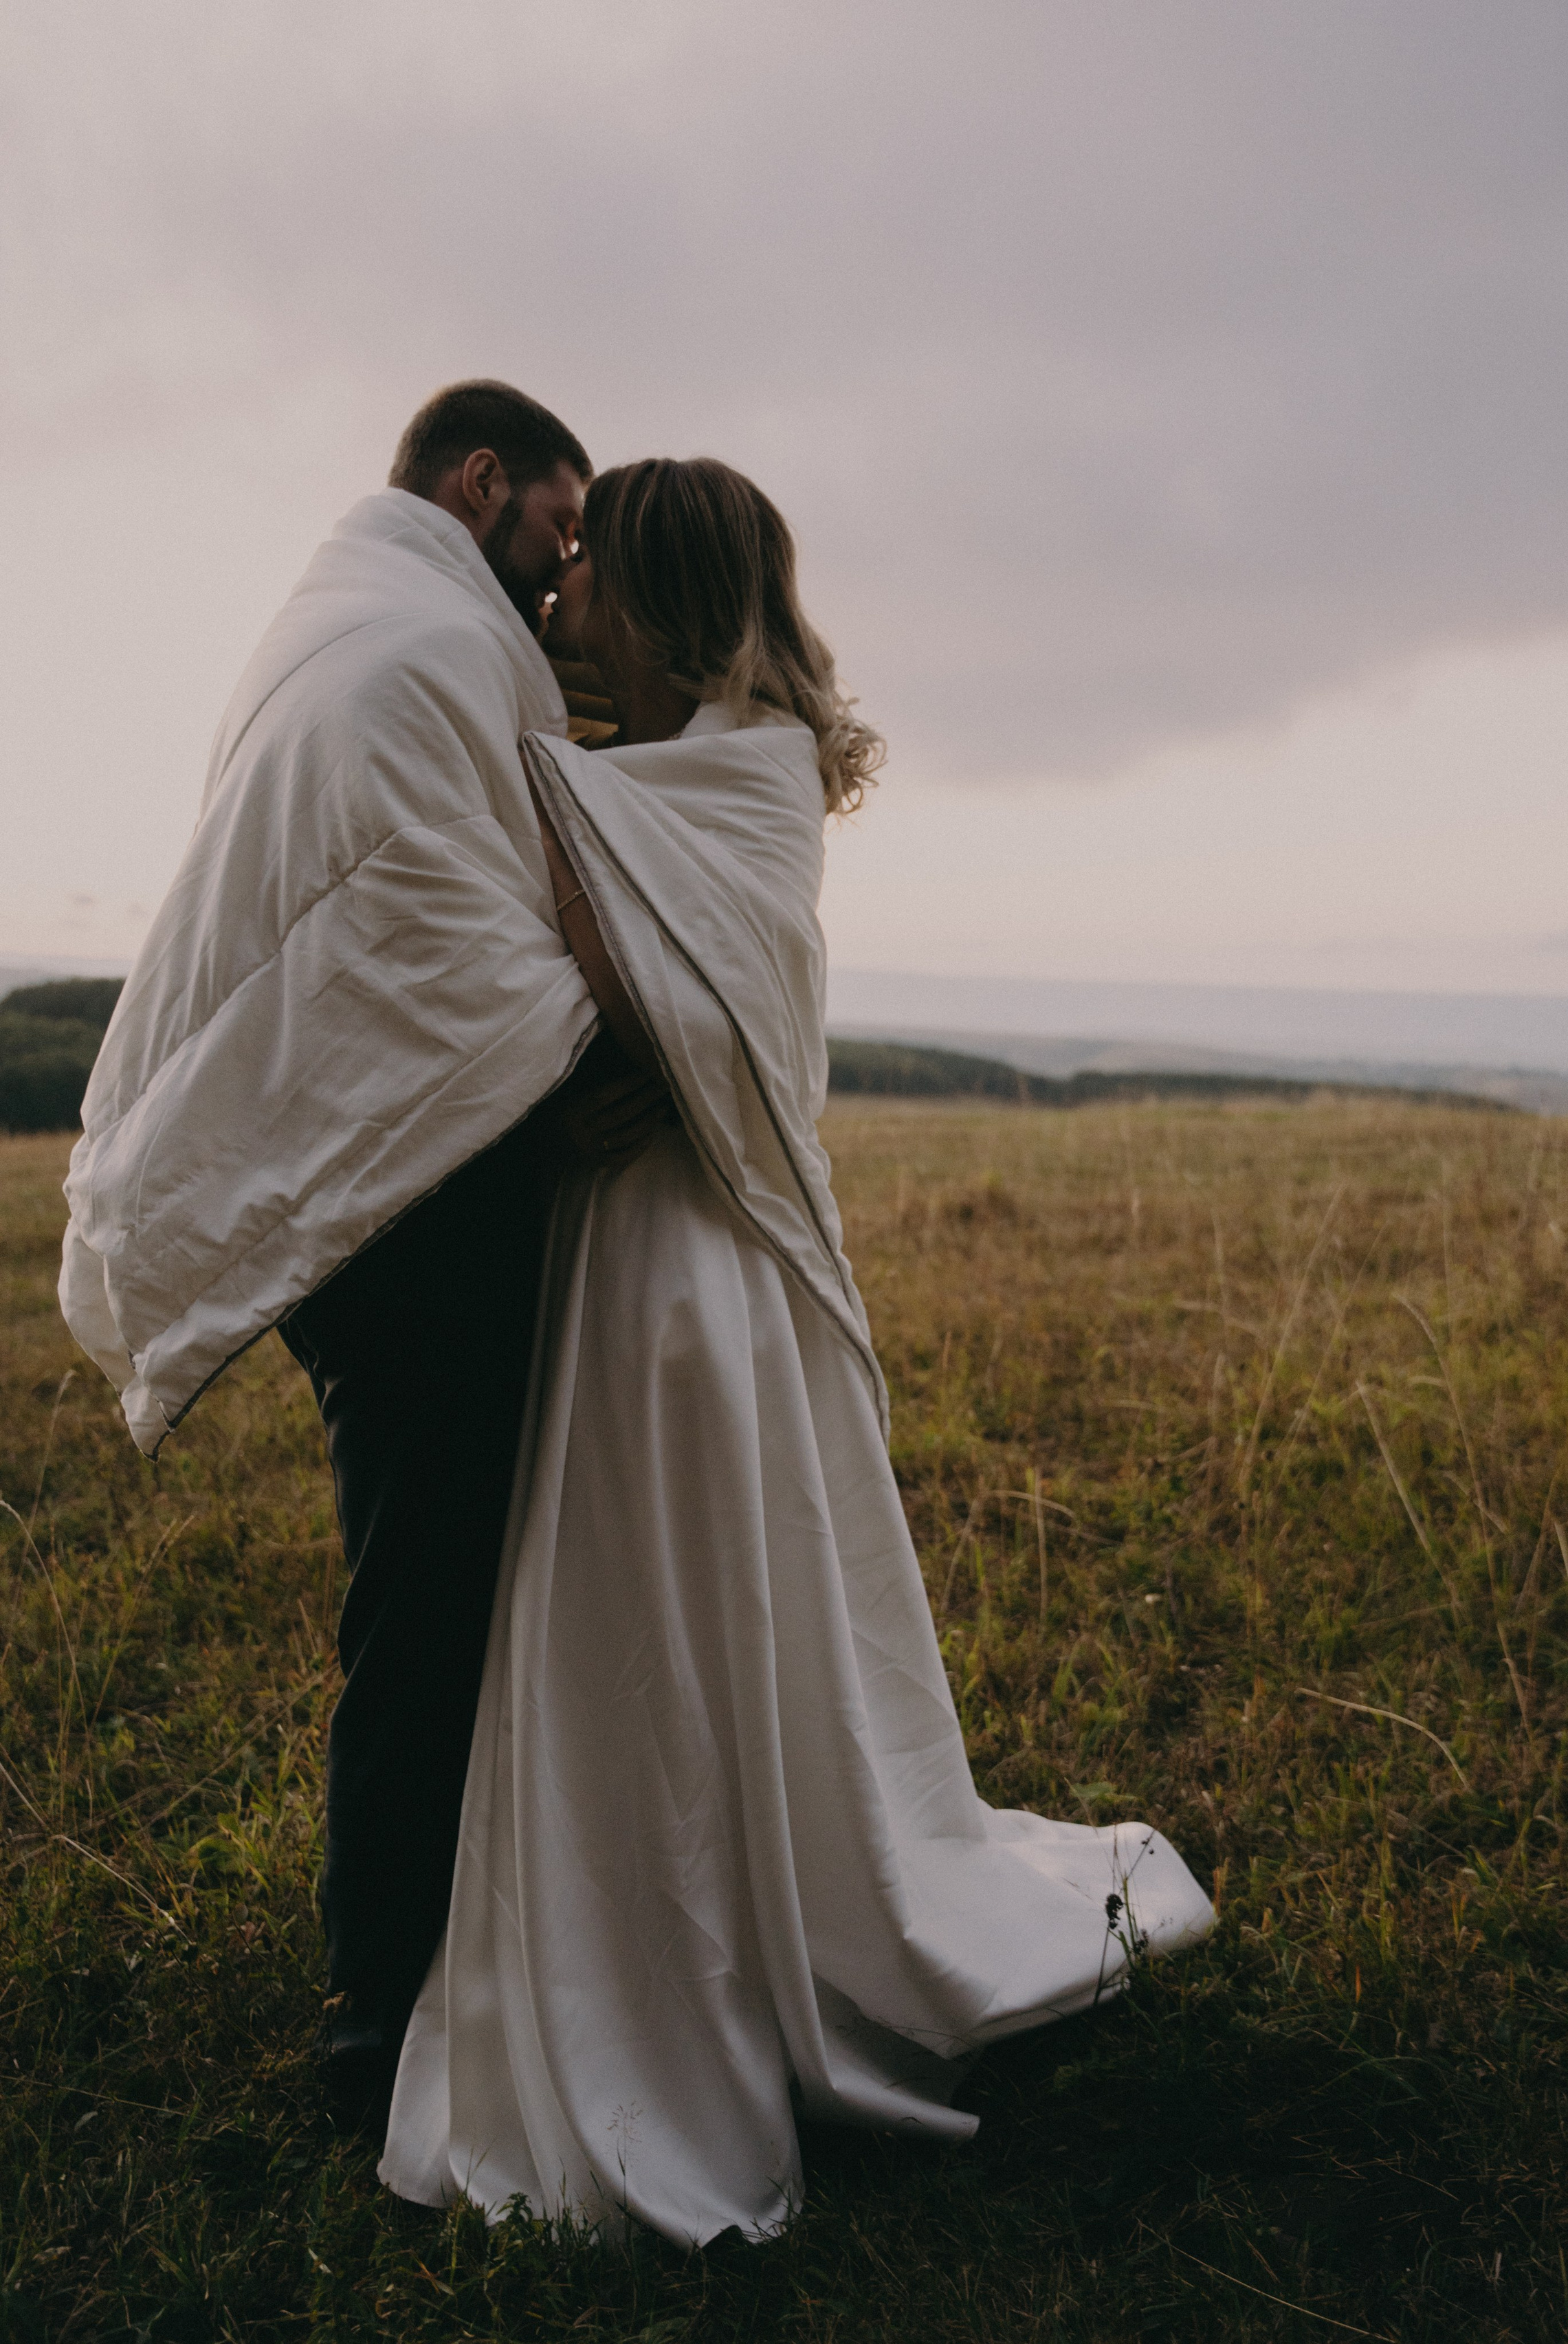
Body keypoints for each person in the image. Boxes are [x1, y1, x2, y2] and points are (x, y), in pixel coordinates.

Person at [377, 458, 1216, 2245]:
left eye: (590, 561)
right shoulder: (647, 772)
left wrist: (543, 810)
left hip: (693, 1284)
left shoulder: (733, 783)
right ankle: (676, 1938)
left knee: (685, 1636)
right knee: (645, 1638)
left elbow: (634, 1020)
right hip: (636, 1261)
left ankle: (715, 1975)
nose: (562, 586)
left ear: (661, 595)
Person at [58, 382, 667, 2122]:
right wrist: (602, 1040)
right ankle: (379, 2005)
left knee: (447, 1573)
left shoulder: (356, 616)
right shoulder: (408, 642)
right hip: (408, 1191)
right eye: (556, 527)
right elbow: (417, 905)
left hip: (362, 1162)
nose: (562, 578)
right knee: (429, 1594)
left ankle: (446, 1953)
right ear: (479, 482)